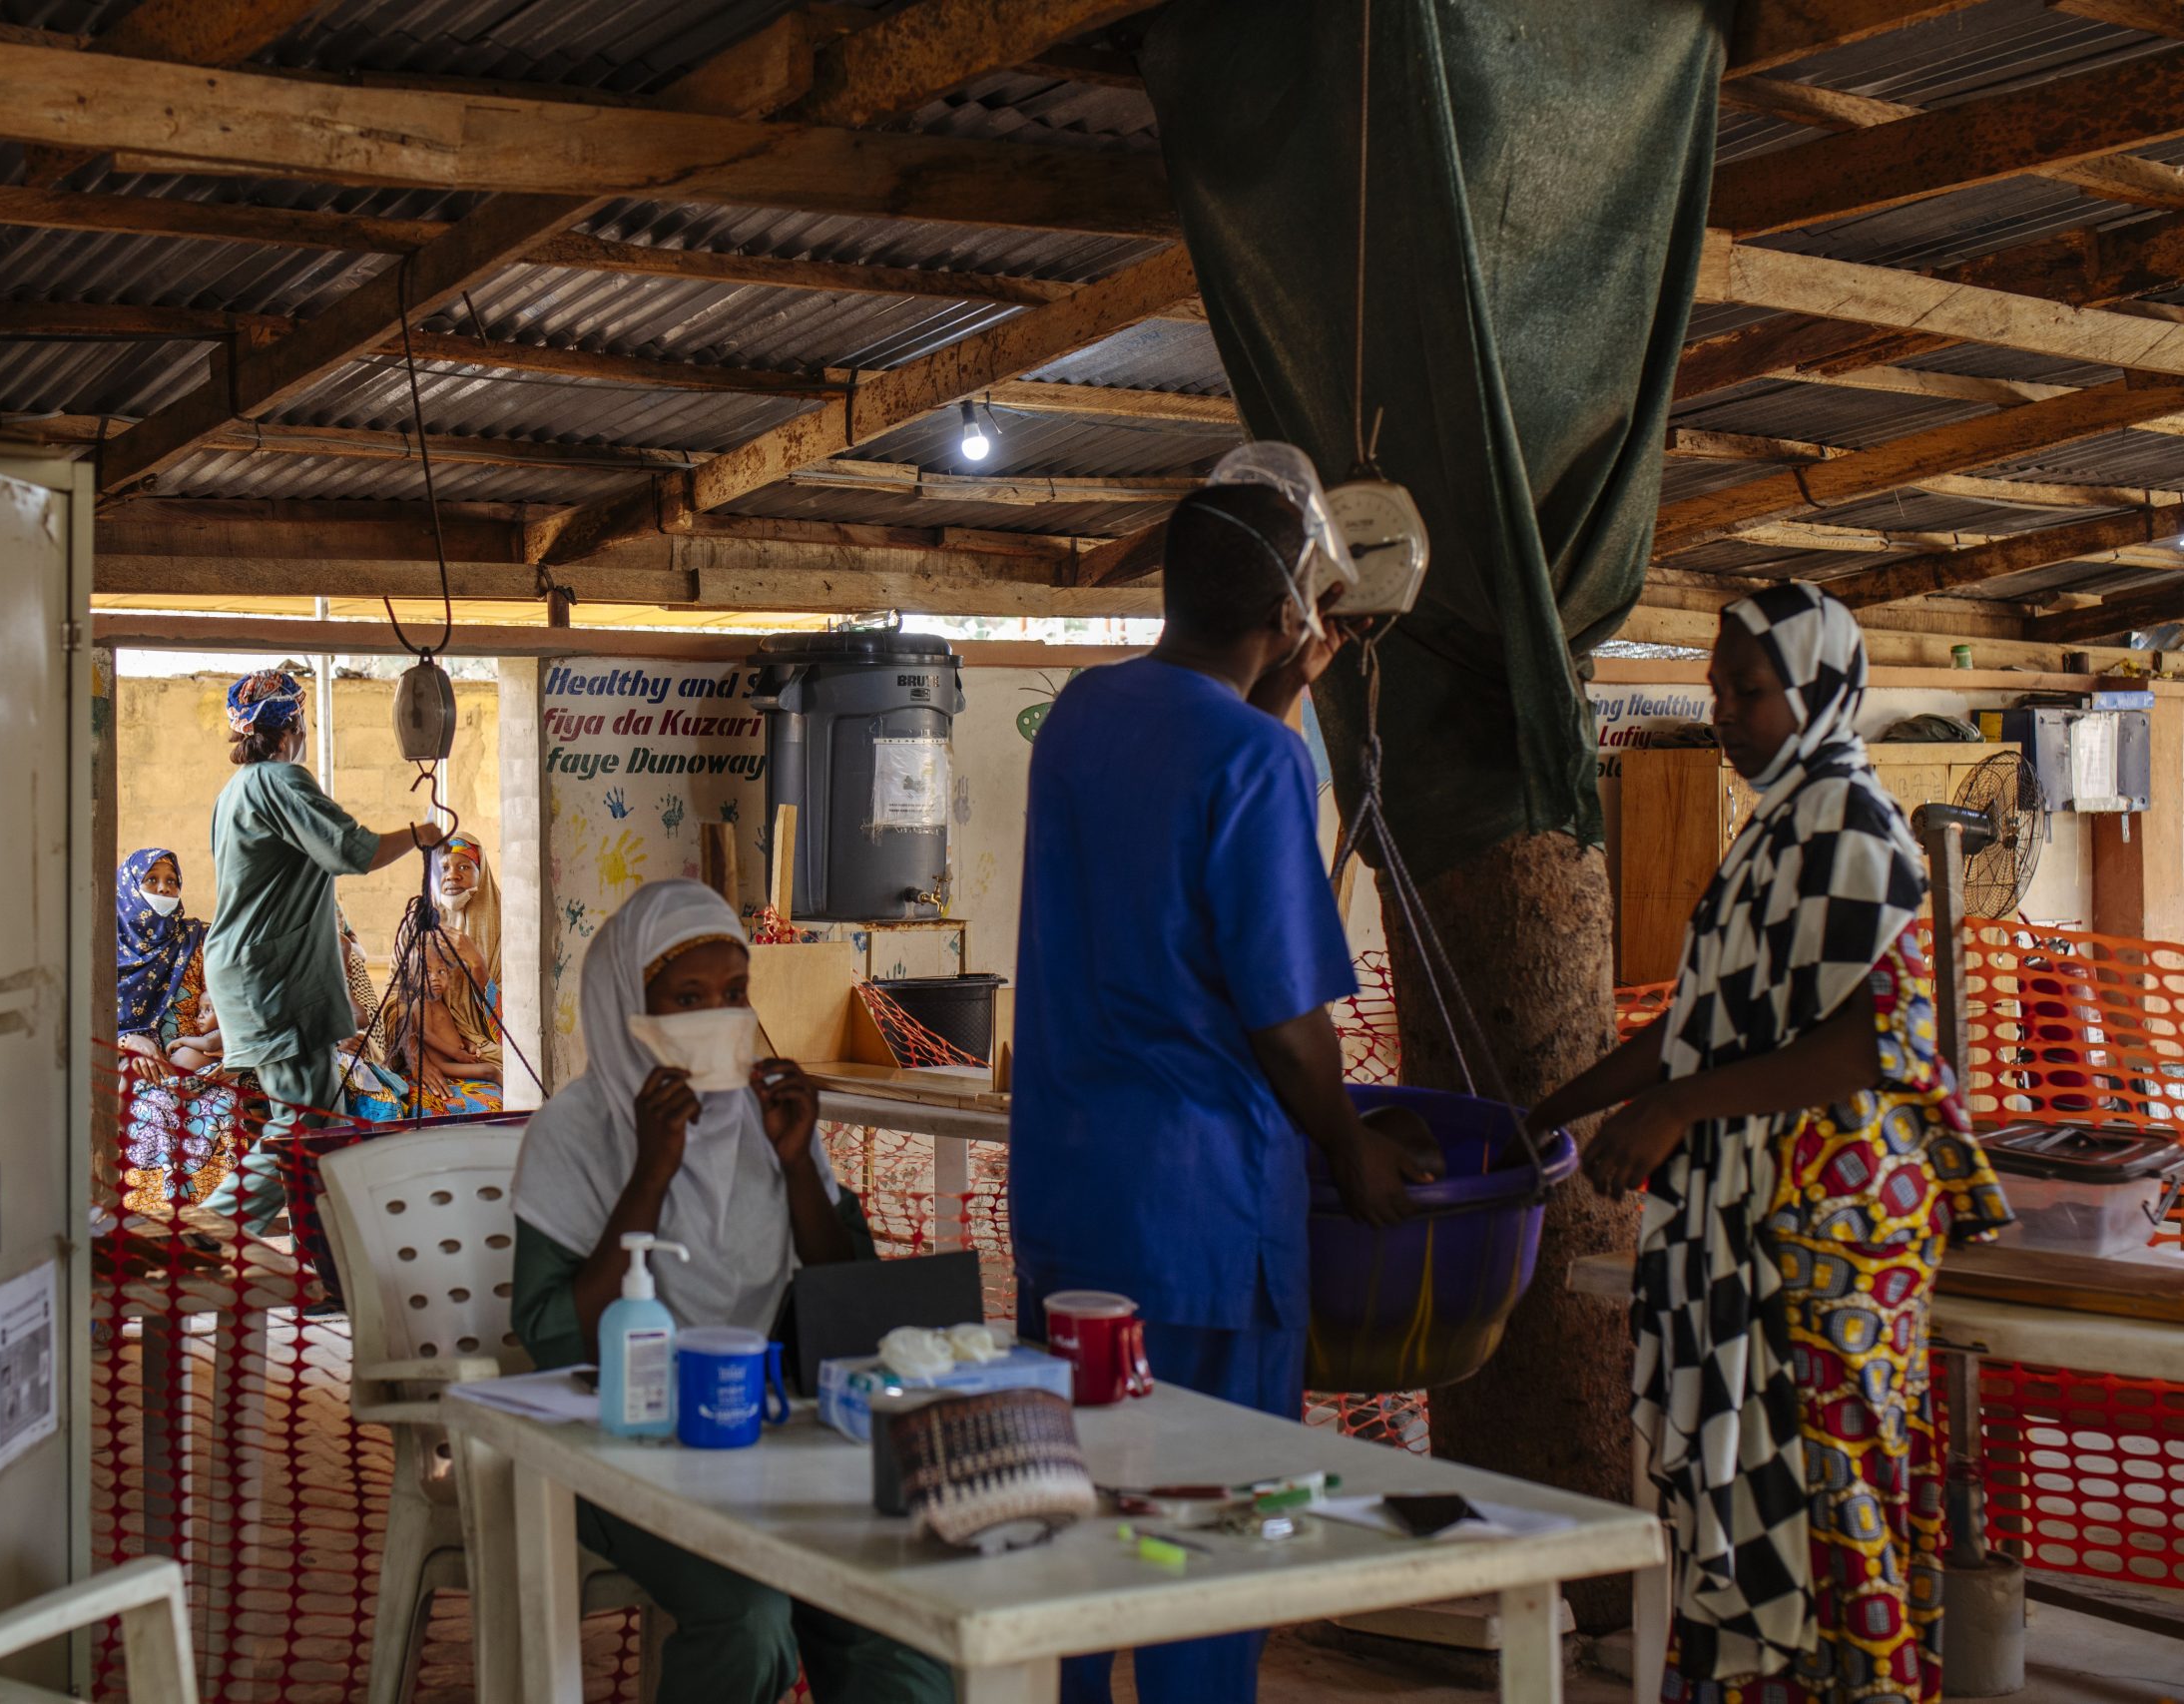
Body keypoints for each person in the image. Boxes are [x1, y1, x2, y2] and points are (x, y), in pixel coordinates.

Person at [1528, 584, 2011, 1704]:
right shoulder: (1776, 834)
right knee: (1748, 1493)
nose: (1728, 714)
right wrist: (1548, 1113)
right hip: (1756, 1214)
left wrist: (1679, 1111)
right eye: (1717, 692)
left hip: (1829, 1224)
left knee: (1821, 1489)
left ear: (1820, 689)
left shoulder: (1854, 827)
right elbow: (1698, 1022)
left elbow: (1874, 1041)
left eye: (1748, 692)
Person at [1010, 461, 1428, 1704]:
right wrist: (1349, 1148)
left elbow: (1174, 822)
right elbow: (1284, 1019)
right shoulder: (1258, 764)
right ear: (1294, 618)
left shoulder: (1082, 714)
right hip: (1202, 1215)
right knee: (1209, 1526)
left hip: (1072, 1204)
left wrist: (1278, 698)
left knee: (1084, 1510)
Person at [509, 879, 951, 1704]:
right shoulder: (574, 1134)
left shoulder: (764, 1116)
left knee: (901, 1621)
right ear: (626, 1006)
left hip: (768, 1437)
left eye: (735, 993)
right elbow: (554, 1339)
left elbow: (847, 1304)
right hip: (614, 1448)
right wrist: (651, 1170)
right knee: (749, 1621)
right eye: (686, 998)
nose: (719, 1016)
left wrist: (795, 1165)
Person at [199, 670, 444, 1226]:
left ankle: (326, 1253)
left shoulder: (235, 791)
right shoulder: (281, 779)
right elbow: (349, 851)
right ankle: (207, 1232)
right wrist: (419, 835)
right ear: (293, 726)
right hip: (272, 976)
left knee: (321, 1122)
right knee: (305, 1125)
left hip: (257, 969)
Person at [114, 848, 243, 1211]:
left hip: (196, 1064)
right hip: (130, 1063)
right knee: (151, 1110)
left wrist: (221, 1045)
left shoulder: (196, 941)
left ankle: (213, 1223)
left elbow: (227, 1003)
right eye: (151, 880)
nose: (164, 888)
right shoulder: (104, 945)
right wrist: (128, 1037)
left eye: (172, 881)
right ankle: (153, 1219)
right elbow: (81, 1015)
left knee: (223, 1105)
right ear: (128, 888)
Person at [378, 833, 506, 1116]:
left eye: (464, 867)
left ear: (481, 873)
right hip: (424, 1051)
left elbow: (513, 1023)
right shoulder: (416, 921)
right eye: (444, 868)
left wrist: (478, 966)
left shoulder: (506, 923)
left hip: (481, 1048)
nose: (453, 876)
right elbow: (394, 1000)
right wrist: (417, 1059)